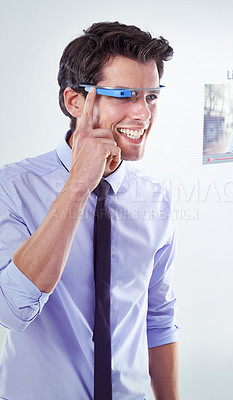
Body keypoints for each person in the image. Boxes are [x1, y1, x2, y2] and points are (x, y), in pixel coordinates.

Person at [0, 22, 179, 400]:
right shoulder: (13, 188)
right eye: (125, 95)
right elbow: (13, 309)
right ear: (74, 101)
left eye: (151, 97)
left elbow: (158, 319)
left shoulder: (155, 199)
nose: (143, 113)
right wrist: (78, 187)